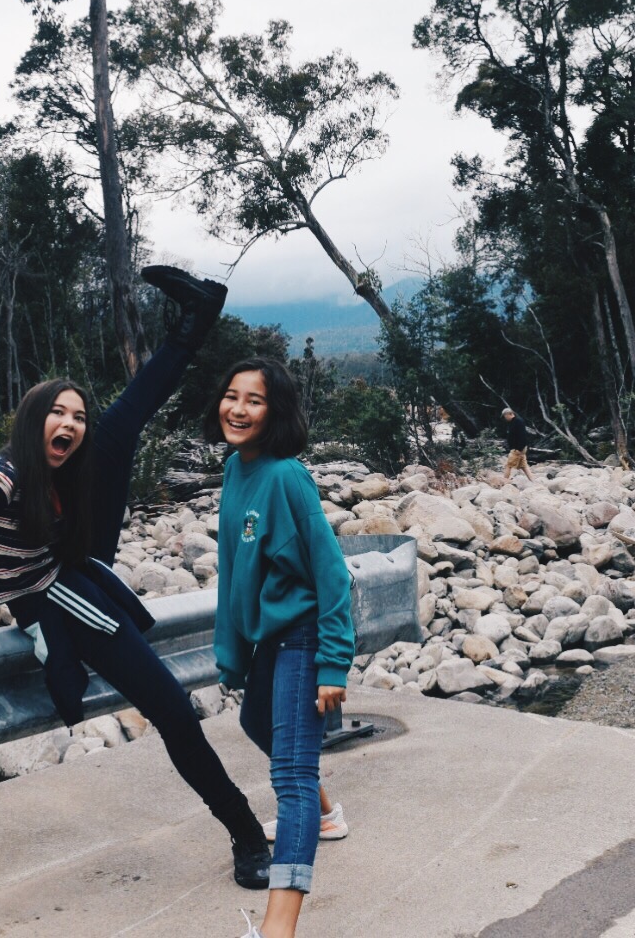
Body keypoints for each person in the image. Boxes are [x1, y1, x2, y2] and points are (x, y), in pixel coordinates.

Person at [0, 266, 273, 891]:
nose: (69, 424)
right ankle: (248, 835)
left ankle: (198, 317)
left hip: (75, 560)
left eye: (77, 416)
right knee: (174, 710)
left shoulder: (61, 467)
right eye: (56, 414)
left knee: (125, 422)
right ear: (30, 419)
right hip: (60, 594)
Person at [205, 357, 354, 938]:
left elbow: (332, 572)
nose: (238, 409)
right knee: (255, 723)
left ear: (276, 412)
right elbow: (232, 568)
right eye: (232, 395)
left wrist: (333, 663)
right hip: (271, 638)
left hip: (304, 635)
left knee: (290, 778)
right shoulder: (235, 468)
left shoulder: (288, 477)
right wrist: (233, 652)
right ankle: (326, 814)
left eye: (255, 400)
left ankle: (278, 930)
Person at [502, 407, 532, 481]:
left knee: (509, 465)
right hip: (518, 448)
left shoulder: (518, 421)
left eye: (505, 416)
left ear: (509, 414)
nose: (505, 418)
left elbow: (522, 436)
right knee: (524, 466)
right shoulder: (513, 422)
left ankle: (504, 481)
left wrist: (519, 448)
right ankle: (533, 481)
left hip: (518, 448)